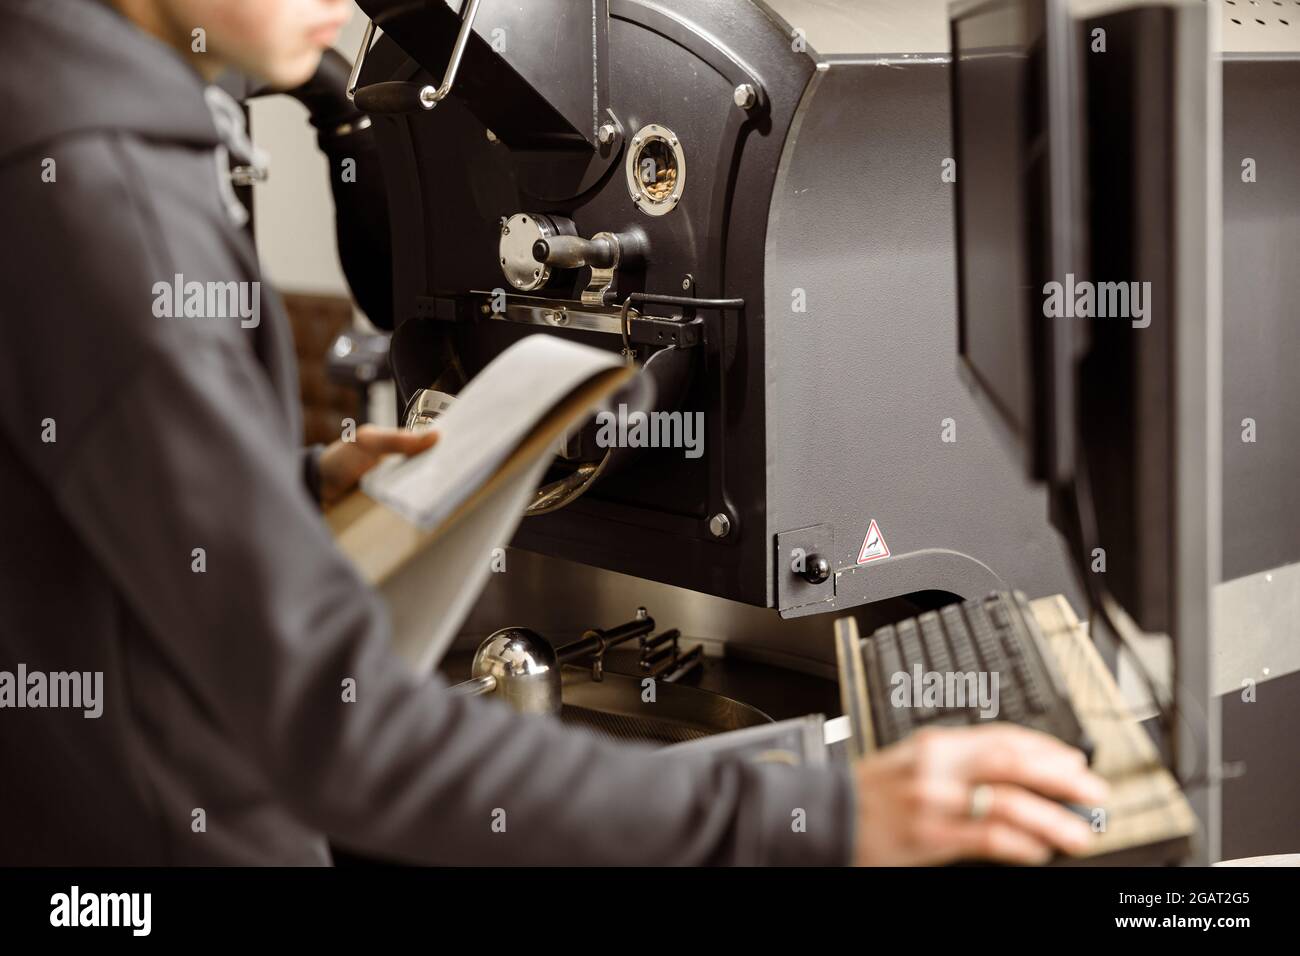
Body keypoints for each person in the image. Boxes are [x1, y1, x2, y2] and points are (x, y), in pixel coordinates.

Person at [0, 0, 1107, 866]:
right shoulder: (110, 202)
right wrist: (824, 816)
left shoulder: (70, 141)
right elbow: (340, 729)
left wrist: (284, 489)